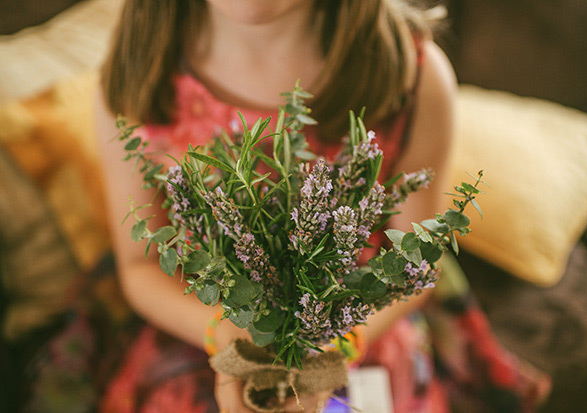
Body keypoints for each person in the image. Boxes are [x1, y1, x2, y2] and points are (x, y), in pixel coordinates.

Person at [94, 1, 548, 412]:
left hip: (358, 320)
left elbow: (415, 263)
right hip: (197, 321)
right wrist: (229, 338)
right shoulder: (138, 70)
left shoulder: (414, 75)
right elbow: (140, 265)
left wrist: (335, 343)